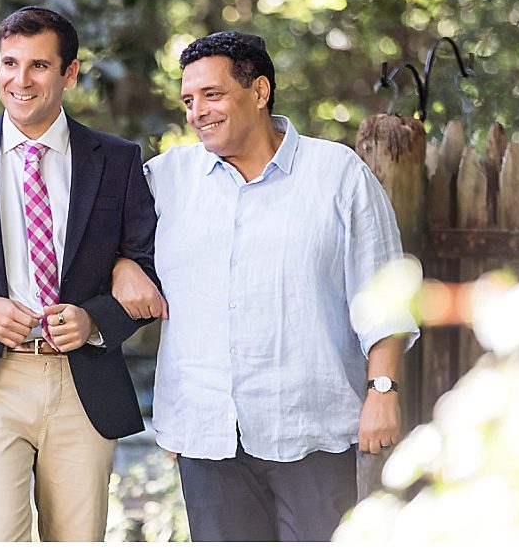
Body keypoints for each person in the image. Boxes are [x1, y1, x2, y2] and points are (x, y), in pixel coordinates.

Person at [136, 31, 415, 542]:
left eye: (212, 95)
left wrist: (383, 389)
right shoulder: (163, 179)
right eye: (189, 100)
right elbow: (100, 241)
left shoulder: (337, 174)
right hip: (206, 430)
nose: (198, 111)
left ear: (259, 91)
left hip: (310, 424)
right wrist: (121, 268)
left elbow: (383, 292)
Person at [0, 6, 160, 542]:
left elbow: (149, 268)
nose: (22, 79)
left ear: (70, 73)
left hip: (83, 381)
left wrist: (94, 320)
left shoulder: (117, 159)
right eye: (10, 63)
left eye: (39, 65)